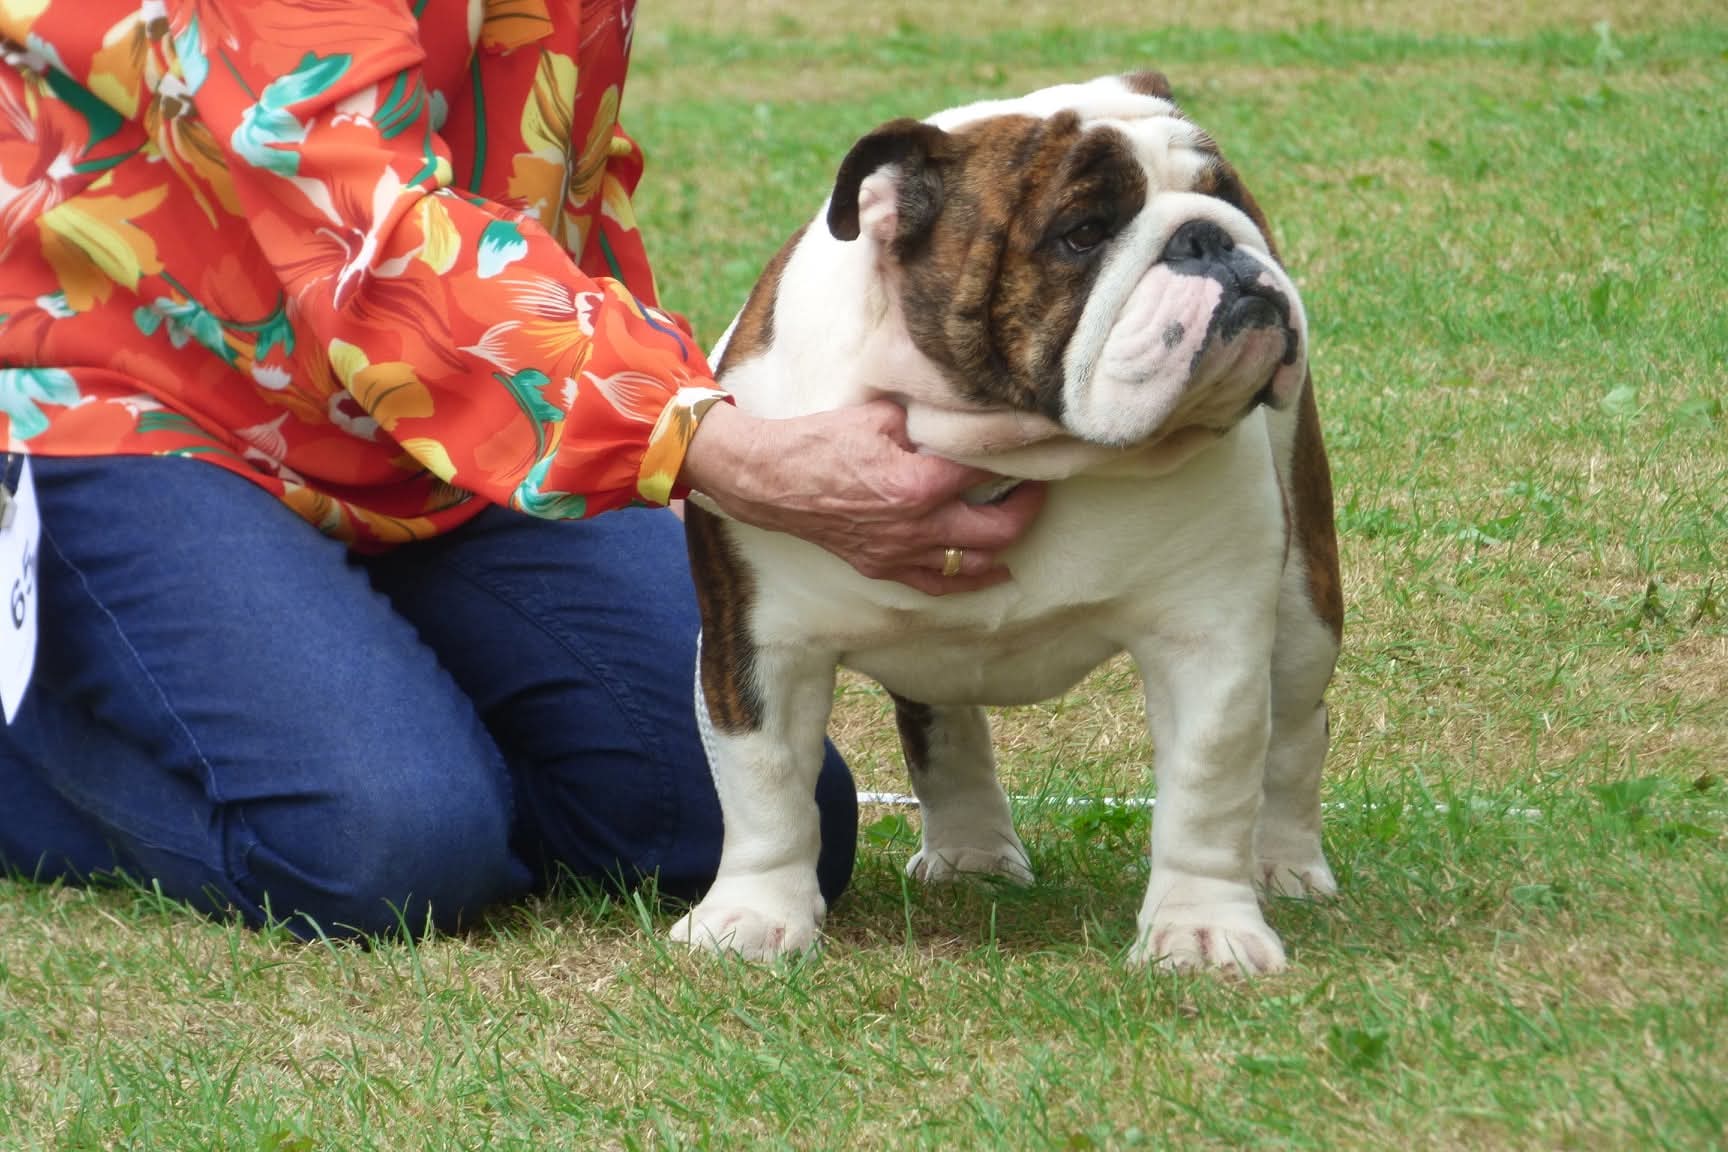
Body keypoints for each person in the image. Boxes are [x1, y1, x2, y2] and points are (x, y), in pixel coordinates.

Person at [0, 0, 1044, 939]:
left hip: (431, 414)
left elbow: (553, 165)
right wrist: (710, 444)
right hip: (129, 385)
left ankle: (371, 702)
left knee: (750, 818)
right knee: (389, 848)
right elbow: (369, 225)